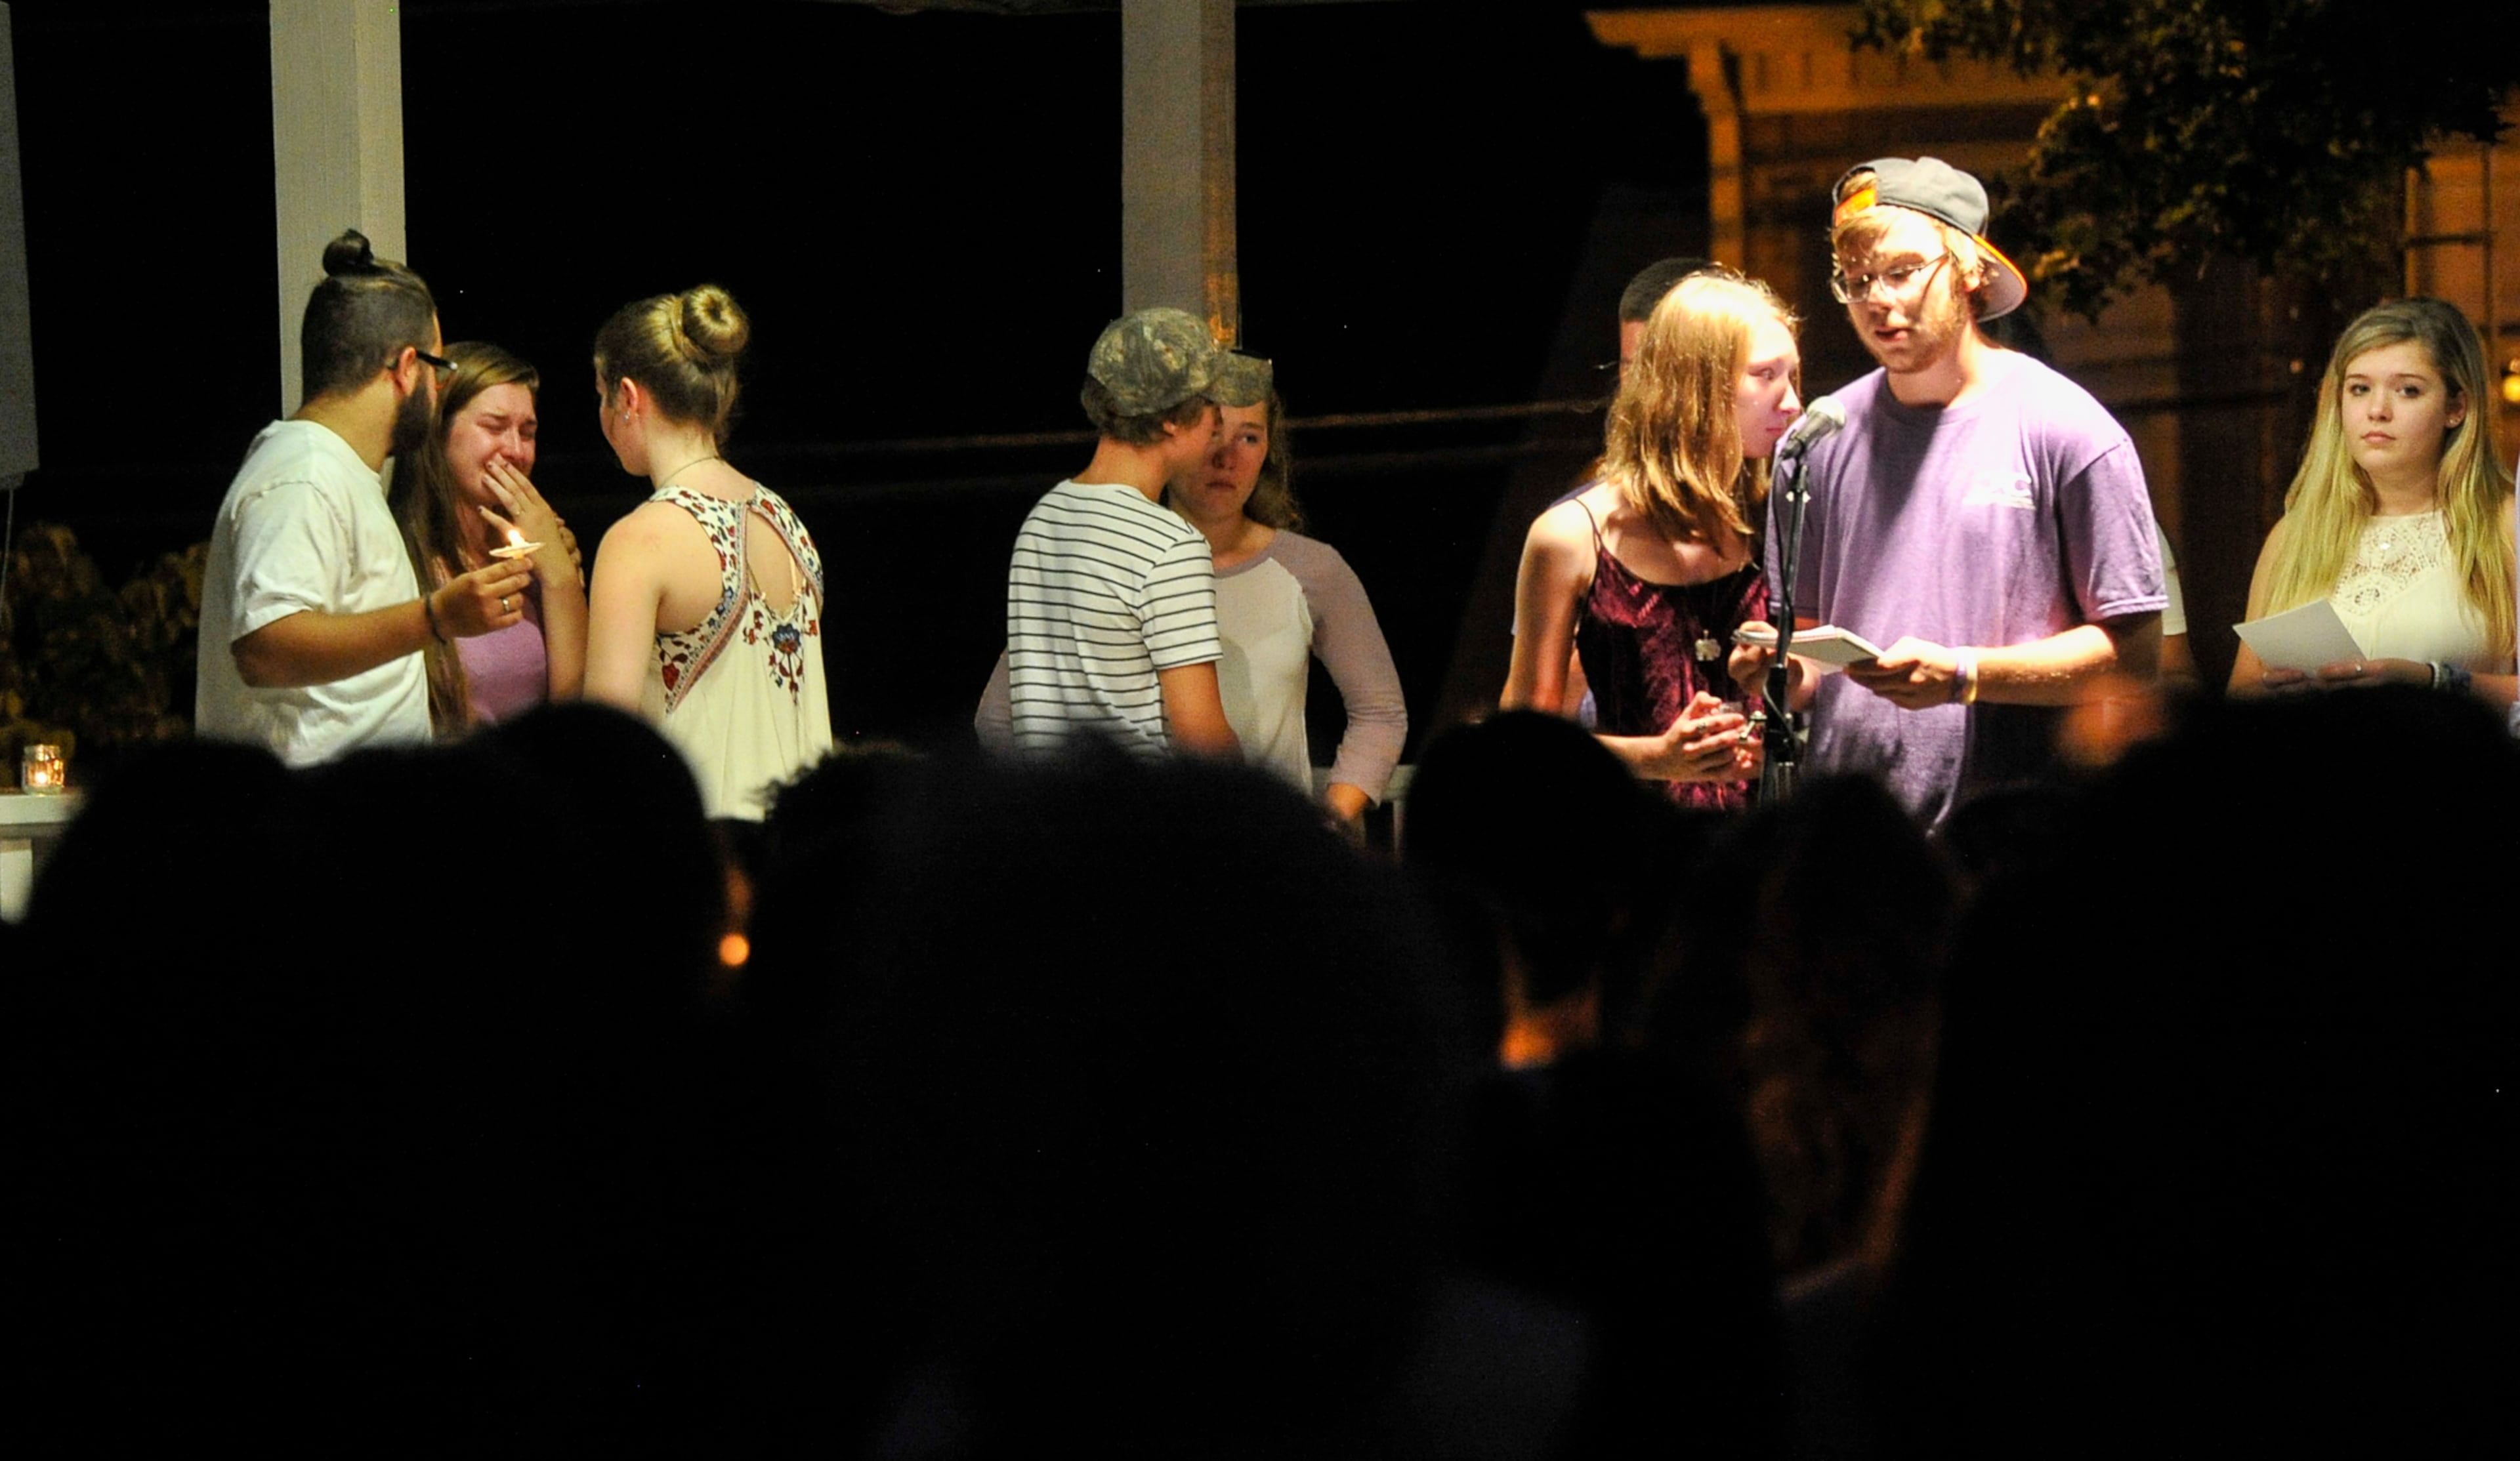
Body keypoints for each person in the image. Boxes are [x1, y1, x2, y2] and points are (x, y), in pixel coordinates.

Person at [1734, 157, 2164, 829]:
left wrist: (1966, 674)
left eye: (1902, 271)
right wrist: (1779, 670)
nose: (1877, 299)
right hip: (1858, 833)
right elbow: (1810, 652)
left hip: (2014, 835)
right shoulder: (1816, 441)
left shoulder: (2069, 430)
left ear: (1969, 270)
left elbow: (2135, 657)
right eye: (1857, 280)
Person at [978, 352, 1406, 829]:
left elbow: (1380, 713)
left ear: (1269, 450)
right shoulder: (1119, 554)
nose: (1226, 457)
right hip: (1163, 842)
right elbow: (998, 716)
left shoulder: (1312, 568)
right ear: (1178, 433)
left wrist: (1323, 825)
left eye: (1249, 437)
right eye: (1213, 432)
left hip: (1254, 846)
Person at [196, 230, 532, 766]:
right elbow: (265, 647)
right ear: (406, 367)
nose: (437, 389)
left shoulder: (339, 472)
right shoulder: (303, 476)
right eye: (437, 370)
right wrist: (437, 617)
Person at [1502, 270, 1801, 812]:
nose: (1793, 403)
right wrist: (1656, 757)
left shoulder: (1778, 516)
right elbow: (1523, 742)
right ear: (1697, 385)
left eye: (1793, 375)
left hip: (1760, 840)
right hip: (1631, 841)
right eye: (1766, 375)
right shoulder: (1571, 536)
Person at [583, 285, 833, 820]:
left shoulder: (639, 541)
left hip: (700, 851)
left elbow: (605, 749)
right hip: (800, 849)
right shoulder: (787, 520)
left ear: (628, 397)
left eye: (601, 395)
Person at [2228, 297, 2515, 709]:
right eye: (2360, 389)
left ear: (2456, 408)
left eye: (2408, 391)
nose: (2377, 411)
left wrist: (2431, 681)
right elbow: (2241, 692)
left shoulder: (2504, 525)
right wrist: (2284, 694)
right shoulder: (2295, 533)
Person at [1001, 306, 1259, 760]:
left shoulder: (1043, 519)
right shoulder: (1169, 544)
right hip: (1137, 803)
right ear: (1171, 419)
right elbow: (1203, 740)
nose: (1219, 425)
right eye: (1211, 407)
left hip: (1049, 800)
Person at [394, 342, 587, 731]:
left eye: (527, 433)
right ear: (440, 430)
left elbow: (576, 712)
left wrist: (560, 576)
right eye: (495, 427)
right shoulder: (400, 556)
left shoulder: (538, 556)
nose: (515, 450)